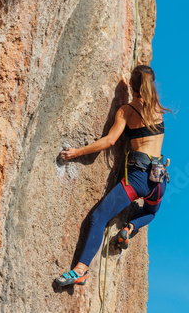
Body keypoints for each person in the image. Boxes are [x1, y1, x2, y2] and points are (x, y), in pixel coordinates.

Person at [55, 65, 173, 286]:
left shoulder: (127, 111)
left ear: (131, 85)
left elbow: (109, 141)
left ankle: (80, 270)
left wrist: (77, 152)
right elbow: (145, 79)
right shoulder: (157, 107)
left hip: (137, 179)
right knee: (150, 212)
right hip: (159, 182)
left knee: (99, 217)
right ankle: (130, 227)